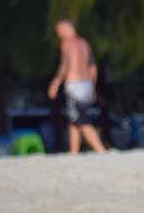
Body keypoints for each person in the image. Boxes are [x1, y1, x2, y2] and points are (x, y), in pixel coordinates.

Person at [46, 19, 108, 153]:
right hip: (86, 85)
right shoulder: (84, 43)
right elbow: (92, 67)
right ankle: (73, 153)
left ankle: (101, 150)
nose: (59, 35)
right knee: (73, 122)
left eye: (59, 31)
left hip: (75, 85)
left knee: (82, 121)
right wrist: (93, 87)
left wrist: (55, 83)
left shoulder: (67, 43)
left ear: (66, 29)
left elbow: (65, 65)